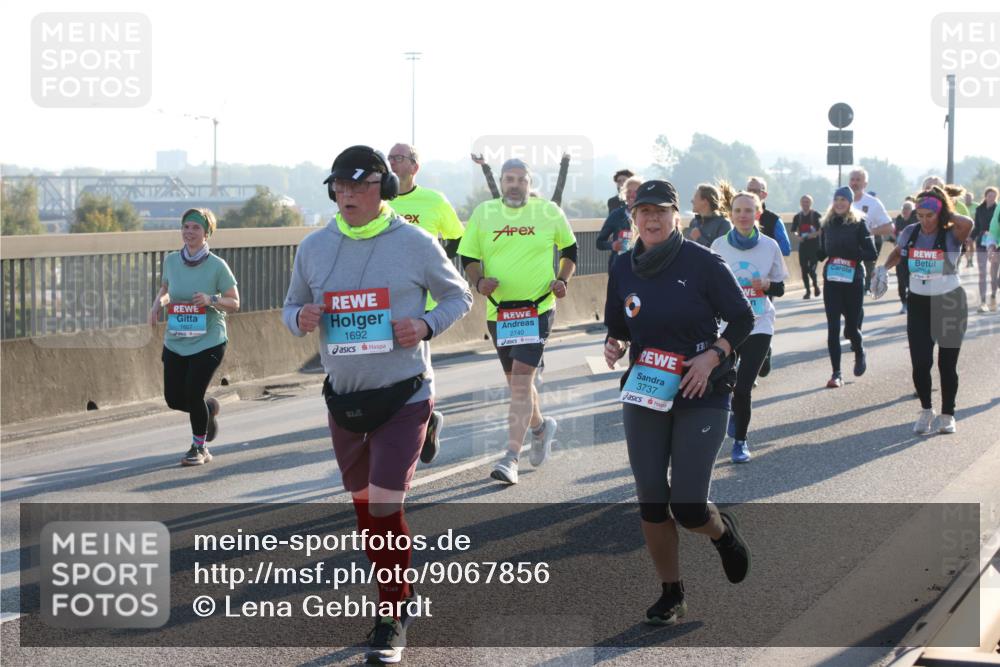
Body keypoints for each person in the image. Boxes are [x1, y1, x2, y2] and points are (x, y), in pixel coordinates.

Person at [283, 145, 472, 663]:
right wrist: (299, 318)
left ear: (381, 188)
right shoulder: (314, 247)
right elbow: (291, 304)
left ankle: (391, 614)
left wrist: (425, 325)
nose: (346, 196)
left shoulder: (415, 242)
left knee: (386, 504)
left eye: (356, 187)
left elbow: (459, 296)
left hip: (405, 392)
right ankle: (400, 589)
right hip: (346, 399)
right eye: (338, 188)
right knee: (366, 510)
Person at [604, 179, 754, 625]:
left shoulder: (703, 262)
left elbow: (742, 318)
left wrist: (713, 356)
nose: (652, 219)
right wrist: (614, 344)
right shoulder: (623, 266)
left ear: (676, 217)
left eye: (661, 211)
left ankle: (722, 532)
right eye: (644, 212)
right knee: (652, 499)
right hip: (647, 387)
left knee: (688, 507)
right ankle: (672, 592)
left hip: (700, 388)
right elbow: (620, 326)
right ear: (634, 217)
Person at [458, 158, 577, 485]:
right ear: (501, 182)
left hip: (537, 309)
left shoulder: (548, 212)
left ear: (529, 182)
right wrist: (479, 281)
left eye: (521, 179)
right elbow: (468, 256)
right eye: (509, 179)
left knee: (522, 382)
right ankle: (540, 428)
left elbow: (570, 250)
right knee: (518, 385)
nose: (515, 184)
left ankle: (510, 457)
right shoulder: (484, 213)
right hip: (500, 312)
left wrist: (562, 280)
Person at [388, 142, 466, 464]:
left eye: (399, 158)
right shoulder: (378, 200)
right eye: (389, 158)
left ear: (414, 167)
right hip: (385, 292)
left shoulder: (434, 201)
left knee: (414, 356)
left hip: (422, 295)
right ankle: (422, 417)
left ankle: (423, 416)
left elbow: (457, 236)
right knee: (390, 358)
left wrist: (436, 266)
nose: (392, 162)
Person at [874, 186, 973, 434]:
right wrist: (884, 268)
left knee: (946, 364)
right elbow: (899, 253)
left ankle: (948, 414)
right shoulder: (911, 232)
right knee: (920, 363)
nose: (925, 221)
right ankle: (927, 410)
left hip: (949, 302)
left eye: (930, 216)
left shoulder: (952, 232)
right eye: (920, 216)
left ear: (940, 214)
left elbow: (968, 223)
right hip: (919, 303)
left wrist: (944, 210)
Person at [149, 208, 239, 466]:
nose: (189, 232)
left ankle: (199, 448)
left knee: (193, 393)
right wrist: (157, 305)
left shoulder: (217, 266)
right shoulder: (171, 261)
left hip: (209, 340)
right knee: (174, 399)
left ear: (206, 233)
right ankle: (207, 410)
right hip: (176, 338)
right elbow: (166, 289)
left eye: (196, 227)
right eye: (186, 227)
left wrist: (211, 299)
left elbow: (234, 302)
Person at [711, 191, 787, 463]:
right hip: (729, 326)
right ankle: (733, 414)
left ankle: (740, 442)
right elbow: (709, 286)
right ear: (730, 214)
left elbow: (780, 286)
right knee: (723, 384)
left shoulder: (769, 246)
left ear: (757, 214)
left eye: (748, 210)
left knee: (743, 388)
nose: (743, 215)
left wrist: (767, 285)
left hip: (759, 324)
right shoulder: (719, 246)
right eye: (738, 210)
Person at [816, 186, 878, 388]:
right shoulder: (827, 224)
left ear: (850, 203)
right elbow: (822, 250)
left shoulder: (859, 224)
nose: (840, 203)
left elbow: (872, 253)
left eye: (843, 199)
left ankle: (859, 351)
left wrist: (852, 254)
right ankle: (836, 373)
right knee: (833, 327)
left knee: (851, 327)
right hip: (832, 280)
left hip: (853, 279)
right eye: (837, 199)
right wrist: (816, 254)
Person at [847, 168, 895, 293]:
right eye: (852, 179)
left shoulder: (873, 203)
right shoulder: (840, 201)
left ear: (865, 184)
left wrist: (868, 232)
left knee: (860, 284)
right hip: (845, 250)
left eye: (858, 180)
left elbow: (889, 227)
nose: (854, 183)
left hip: (864, 249)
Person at [470, 152, 571, 205]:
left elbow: (494, 189)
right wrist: (565, 163)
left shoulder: (546, 212)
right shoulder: (506, 207)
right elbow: (559, 191)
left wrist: (484, 165)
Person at [596, 175, 642, 272]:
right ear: (624, 193)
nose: (632, 195)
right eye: (629, 191)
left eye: (636, 192)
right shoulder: (616, 215)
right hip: (618, 267)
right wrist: (612, 245)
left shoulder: (649, 216)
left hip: (642, 267)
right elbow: (599, 243)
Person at [746, 177, 791, 256]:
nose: (751, 194)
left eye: (755, 191)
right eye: (749, 190)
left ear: (764, 195)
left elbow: (785, 249)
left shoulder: (774, 220)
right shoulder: (737, 217)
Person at [971, 187, 999, 312]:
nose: (992, 198)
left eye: (994, 196)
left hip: (995, 244)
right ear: (985, 196)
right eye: (990, 196)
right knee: (982, 273)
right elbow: (977, 227)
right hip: (981, 243)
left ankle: (993, 297)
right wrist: (970, 238)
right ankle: (982, 302)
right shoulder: (979, 209)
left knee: (994, 274)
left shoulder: (997, 209)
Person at [791, 195, 822, 299]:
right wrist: (798, 237)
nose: (805, 204)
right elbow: (793, 231)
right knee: (804, 270)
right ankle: (808, 291)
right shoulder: (797, 217)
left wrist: (812, 235)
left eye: (807, 202)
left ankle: (815, 285)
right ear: (800, 203)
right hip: (803, 247)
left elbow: (821, 230)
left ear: (811, 203)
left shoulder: (816, 215)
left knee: (812, 269)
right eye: (803, 202)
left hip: (815, 247)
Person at [688, 182, 734, 248]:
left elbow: (723, 251)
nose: (692, 201)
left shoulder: (724, 224)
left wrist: (699, 239)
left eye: (695, 197)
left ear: (705, 201)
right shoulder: (694, 222)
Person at [892, 200, 918, 313]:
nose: (905, 211)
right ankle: (904, 303)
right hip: (900, 254)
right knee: (901, 281)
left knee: (912, 280)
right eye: (904, 209)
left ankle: (911, 302)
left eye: (908, 209)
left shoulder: (915, 220)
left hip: (913, 255)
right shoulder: (899, 220)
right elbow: (894, 233)